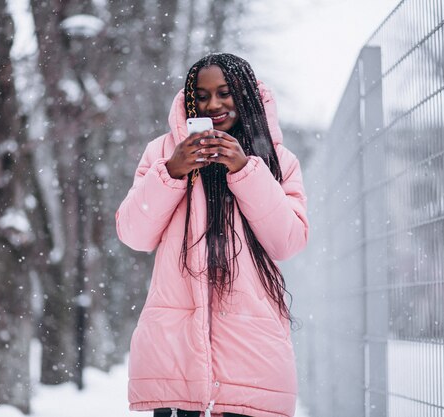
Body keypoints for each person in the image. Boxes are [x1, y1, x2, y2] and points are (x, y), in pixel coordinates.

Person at [116, 53, 309, 417]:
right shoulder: (161, 152)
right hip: (174, 358)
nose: (213, 105)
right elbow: (133, 234)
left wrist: (245, 170)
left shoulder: (278, 160)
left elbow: (287, 241)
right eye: (201, 96)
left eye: (225, 93)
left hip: (251, 356)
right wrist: (171, 171)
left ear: (246, 95)